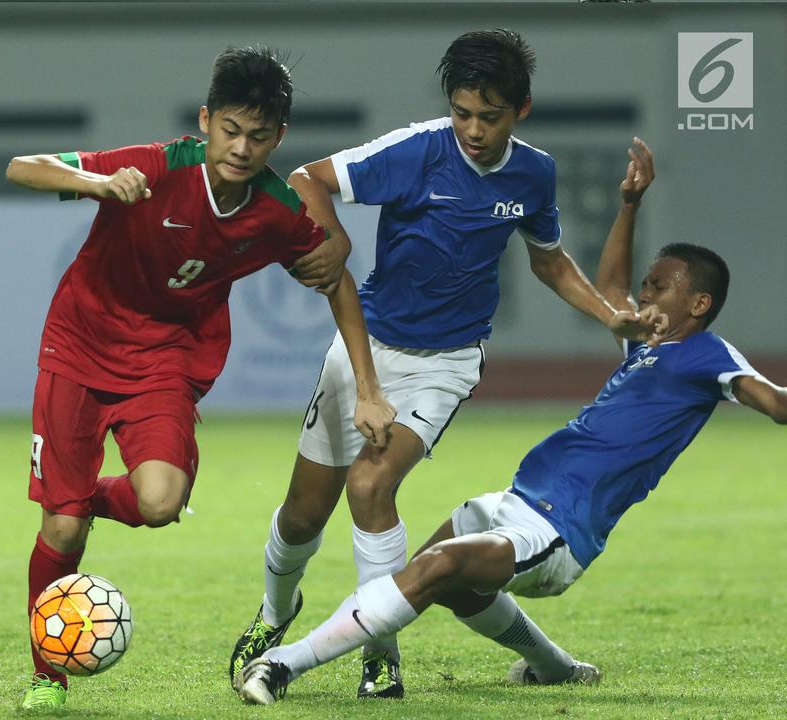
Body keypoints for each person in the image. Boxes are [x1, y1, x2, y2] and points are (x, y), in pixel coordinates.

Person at [237, 139, 787, 704]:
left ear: (698, 305)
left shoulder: (709, 356)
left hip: (559, 531)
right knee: (448, 583)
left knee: (435, 567)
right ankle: (554, 666)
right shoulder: (648, 346)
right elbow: (612, 288)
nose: (643, 294)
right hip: (515, 500)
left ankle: (283, 664)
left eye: (659, 286)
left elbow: (775, 404)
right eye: (646, 284)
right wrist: (629, 205)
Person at [229, 29, 663, 698]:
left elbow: (546, 260)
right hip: (364, 346)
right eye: (462, 112)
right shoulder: (416, 150)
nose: (473, 129)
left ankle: (381, 658)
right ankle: (275, 609)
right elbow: (305, 178)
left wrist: (609, 316)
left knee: (371, 487)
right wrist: (334, 239)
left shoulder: (534, 173)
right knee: (301, 516)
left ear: (521, 110)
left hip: (448, 362)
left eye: (489, 117)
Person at [6, 46, 395, 710]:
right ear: (206, 120)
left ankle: (75, 502)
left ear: (279, 137)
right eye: (230, 130)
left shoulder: (274, 209)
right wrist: (99, 184)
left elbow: (336, 278)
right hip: (79, 345)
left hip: (167, 360)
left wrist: (367, 387)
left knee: (159, 503)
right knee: (62, 536)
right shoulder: (158, 167)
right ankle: (49, 675)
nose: (241, 148)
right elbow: (20, 168)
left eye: (259, 135)